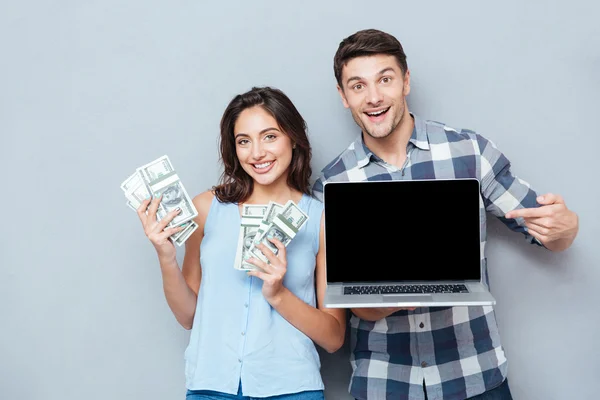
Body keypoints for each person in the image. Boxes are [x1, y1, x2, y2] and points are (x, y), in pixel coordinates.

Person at [312, 29, 579, 400]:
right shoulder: (332, 183)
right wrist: (379, 304)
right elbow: (346, 301)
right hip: (386, 384)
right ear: (343, 96)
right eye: (357, 86)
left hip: (474, 376)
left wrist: (565, 227)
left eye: (385, 79)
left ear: (406, 81)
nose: (373, 97)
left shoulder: (468, 151)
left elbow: (545, 229)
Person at [137, 86, 346, 399]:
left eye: (270, 136)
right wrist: (166, 257)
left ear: (293, 138)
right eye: (243, 141)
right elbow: (187, 317)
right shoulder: (206, 209)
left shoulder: (321, 219)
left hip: (290, 389)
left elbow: (334, 337)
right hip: (211, 386)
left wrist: (277, 294)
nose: (257, 152)